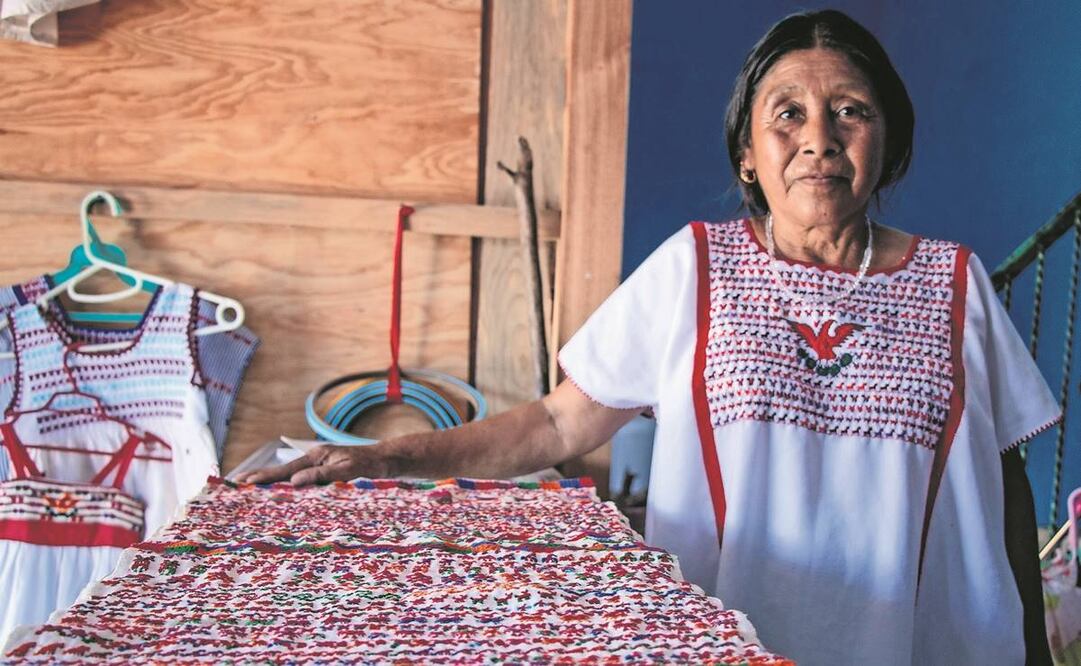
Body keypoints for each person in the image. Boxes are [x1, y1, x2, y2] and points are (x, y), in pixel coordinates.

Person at [239, 10, 1056, 665]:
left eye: (850, 110)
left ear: (886, 143)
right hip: (728, 645)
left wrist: (1032, 654)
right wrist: (389, 458)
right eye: (788, 114)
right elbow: (557, 425)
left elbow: (1005, 480)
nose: (818, 137)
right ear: (748, 155)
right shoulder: (695, 267)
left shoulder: (955, 283)